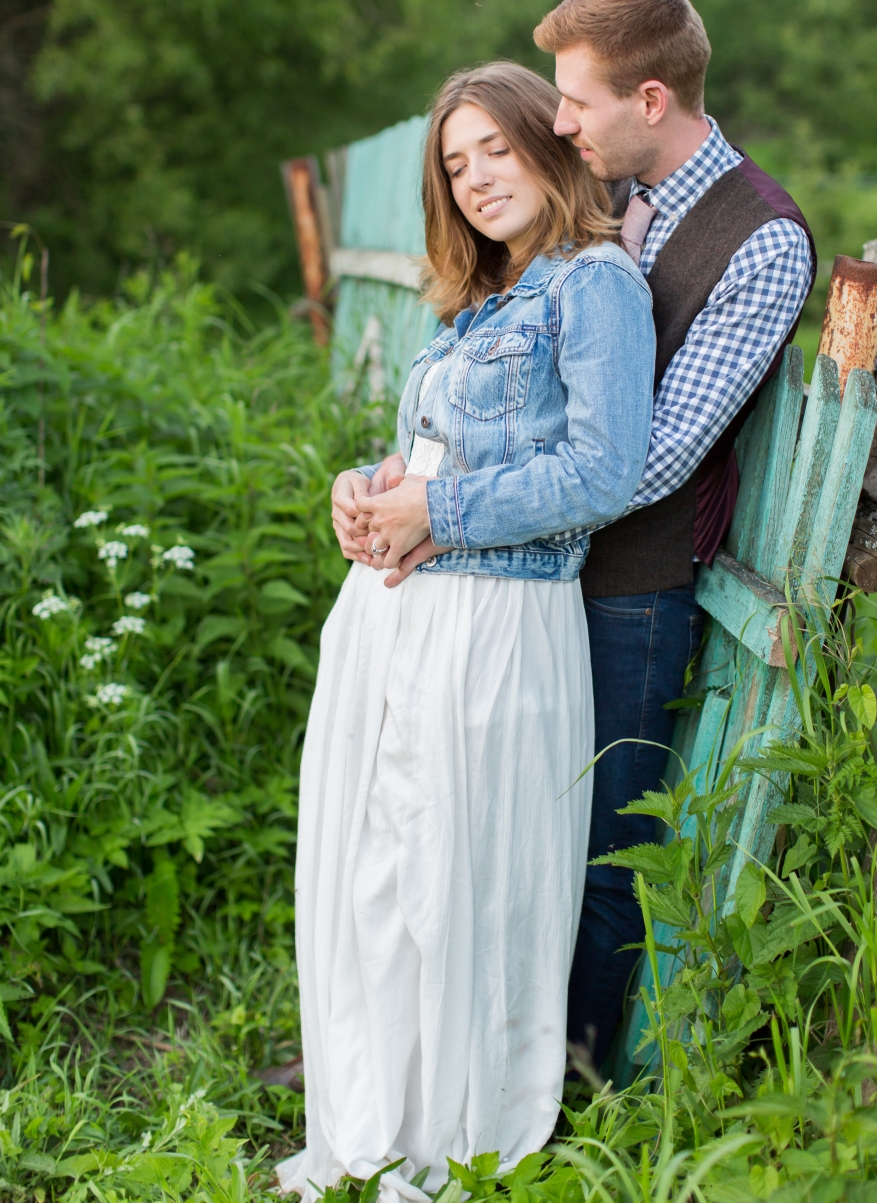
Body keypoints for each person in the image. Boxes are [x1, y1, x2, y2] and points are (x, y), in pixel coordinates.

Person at [276, 61, 655, 1202]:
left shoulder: (594, 286)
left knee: (455, 875)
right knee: (381, 871)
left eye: (495, 147)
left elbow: (602, 470)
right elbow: (432, 457)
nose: (477, 177)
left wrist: (431, 510)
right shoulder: (477, 301)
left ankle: (447, 1127)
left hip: (494, 622)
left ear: (548, 142)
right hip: (401, 618)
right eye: (455, 162)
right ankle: (373, 1112)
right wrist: (367, 488)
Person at [532, 0, 817, 1067]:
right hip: (540, 562)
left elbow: (647, 463)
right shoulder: (600, 191)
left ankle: (576, 1088)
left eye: (578, 101)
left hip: (632, 593)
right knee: (527, 820)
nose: (560, 123)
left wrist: (476, 506)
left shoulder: (762, 239)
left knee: (608, 848)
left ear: (651, 99)